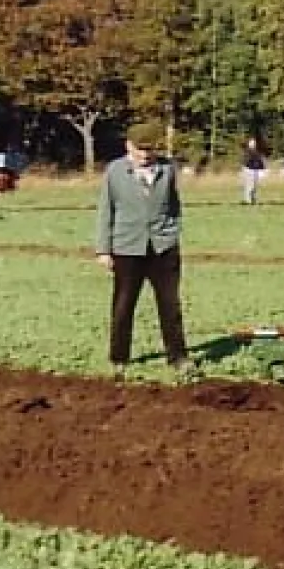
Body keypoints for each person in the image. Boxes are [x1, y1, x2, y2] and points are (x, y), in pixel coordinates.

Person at [94, 121, 194, 383]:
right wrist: (104, 250)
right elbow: (106, 211)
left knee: (170, 306)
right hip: (127, 248)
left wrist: (172, 233)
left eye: (150, 150)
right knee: (124, 305)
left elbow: (174, 205)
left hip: (163, 248)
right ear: (128, 146)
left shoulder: (167, 169)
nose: (145, 155)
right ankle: (119, 359)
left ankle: (178, 357)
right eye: (140, 149)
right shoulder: (114, 172)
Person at [241, 137, 264, 204]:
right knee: (248, 186)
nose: (253, 144)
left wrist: (262, 168)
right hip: (249, 170)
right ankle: (248, 200)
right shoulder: (247, 152)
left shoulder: (257, 152)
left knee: (254, 187)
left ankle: (253, 199)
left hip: (255, 171)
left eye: (254, 143)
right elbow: (246, 162)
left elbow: (260, 161)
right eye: (251, 143)